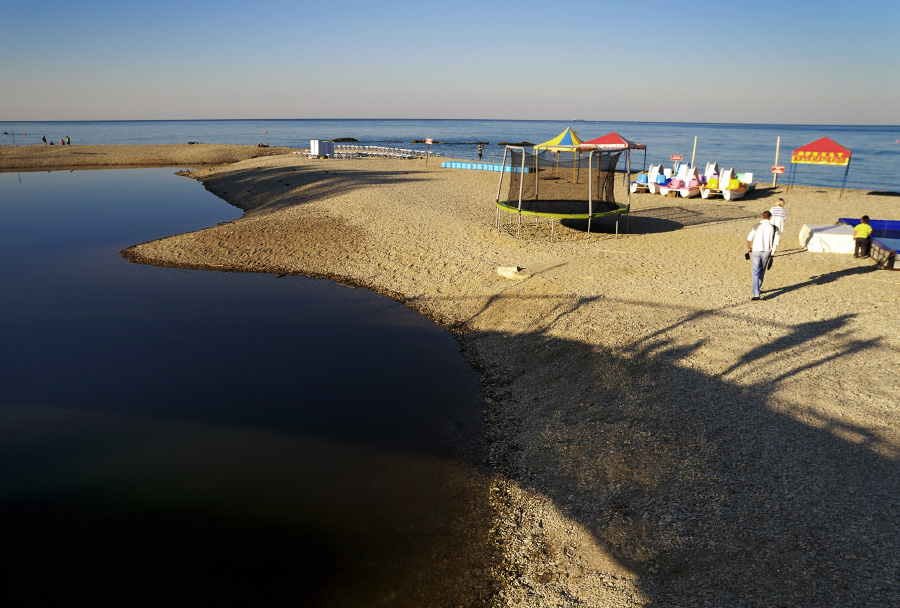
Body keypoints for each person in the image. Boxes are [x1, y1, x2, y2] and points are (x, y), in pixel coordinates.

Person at [747, 210, 780, 300]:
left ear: (762, 217)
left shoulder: (757, 226)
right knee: (762, 271)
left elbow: (749, 238)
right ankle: (758, 287)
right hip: (767, 251)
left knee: (755, 272)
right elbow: (776, 242)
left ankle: (756, 293)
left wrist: (749, 248)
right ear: (770, 217)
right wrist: (772, 253)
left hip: (756, 250)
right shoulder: (774, 228)